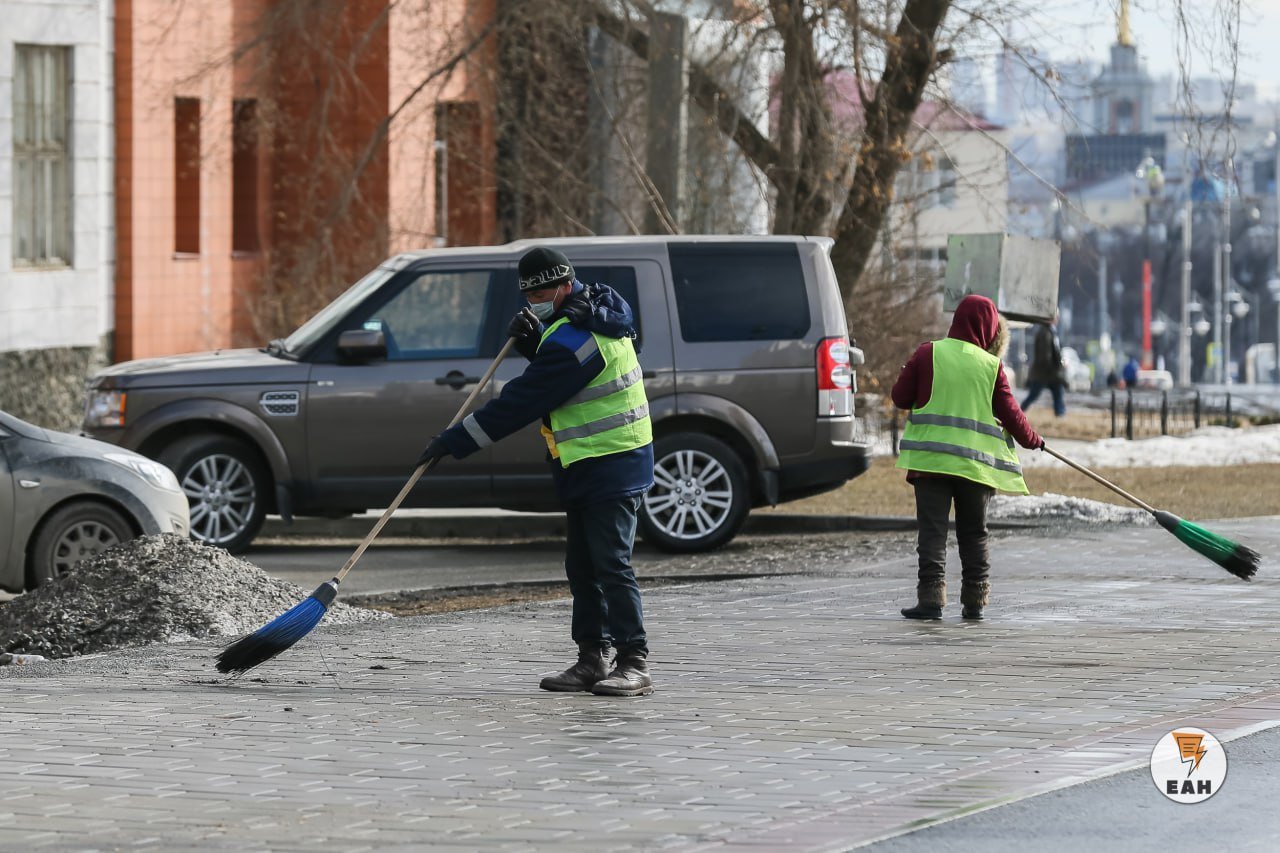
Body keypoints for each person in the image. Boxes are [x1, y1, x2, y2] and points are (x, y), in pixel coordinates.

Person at [418, 247, 656, 697]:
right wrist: (535, 342)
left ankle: (633, 662)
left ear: (566, 284)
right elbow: (564, 378)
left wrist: (454, 442)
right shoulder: (594, 311)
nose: (535, 300)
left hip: (613, 463)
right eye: (529, 294)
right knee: (582, 567)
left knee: (611, 565)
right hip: (588, 463)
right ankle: (591, 660)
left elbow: (522, 402)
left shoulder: (577, 340)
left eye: (543, 291)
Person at [891, 294, 1044, 621]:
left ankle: (931, 599)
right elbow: (1013, 415)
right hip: (975, 469)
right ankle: (975, 600)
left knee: (932, 533)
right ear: (990, 330)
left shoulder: (928, 353)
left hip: (930, 464)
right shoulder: (991, 367)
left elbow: (899, 396)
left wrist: (915, 375)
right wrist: (1033, 441)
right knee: (974, 533)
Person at [1020, 312, 1067, 416]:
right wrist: (1054, 368)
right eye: (1056, 317)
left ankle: (1060, 414)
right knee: (1034, 395)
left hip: (1047, 372)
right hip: (1044, 372)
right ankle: (1018, 413)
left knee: (1057, 392)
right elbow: (1045, 356)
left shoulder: (1050, 331)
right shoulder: (1045, 333)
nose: (1057, 319)